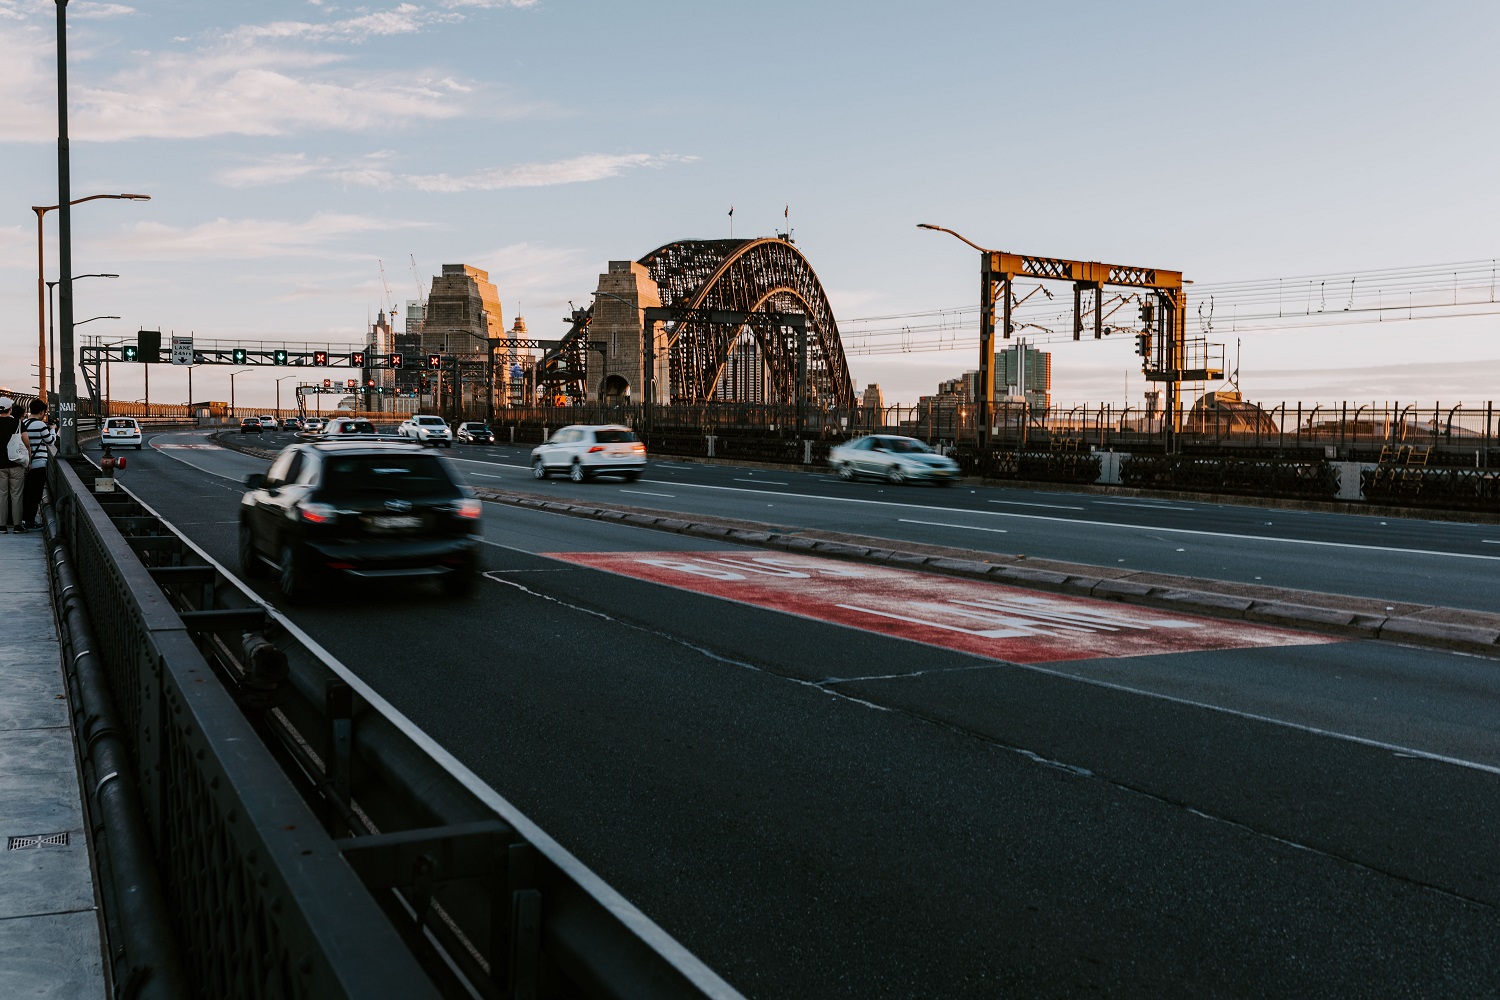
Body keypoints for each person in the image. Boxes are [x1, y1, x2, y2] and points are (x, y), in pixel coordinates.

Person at [20, 399, 56, 531]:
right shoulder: (40, 425)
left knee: (26, 493)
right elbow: (50, 441)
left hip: (25, 464)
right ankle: (30, 520)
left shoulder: (23, 423)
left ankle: (24, 518)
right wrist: (52, 430)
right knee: (35, 494)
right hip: (38, 463)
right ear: (42, 412)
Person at [0, 396, 22, 533]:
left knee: (2, 494)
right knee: (16, 495)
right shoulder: (18, 423)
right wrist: (28, 461)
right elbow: (25, 442)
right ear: (10, 409)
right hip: (16, 462)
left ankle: (1, 526)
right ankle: (17, 526)